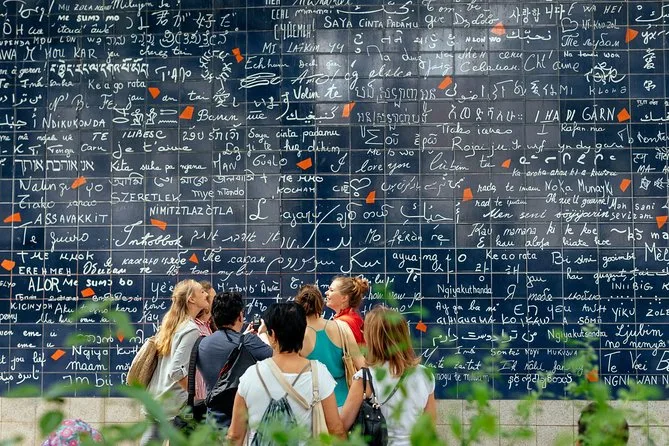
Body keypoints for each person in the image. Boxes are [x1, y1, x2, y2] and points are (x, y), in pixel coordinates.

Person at [227, 303, 345, 444]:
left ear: (272, 335)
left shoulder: (251, 375)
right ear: (303, 333)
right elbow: (336, 429)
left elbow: (235, 435)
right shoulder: (318, 373)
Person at [341, 307, 436, 446]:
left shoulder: (365, 378)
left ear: (373, 339)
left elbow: (341, 427)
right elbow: (430, 427)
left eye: (365, 331)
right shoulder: (425, 375)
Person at [140, 279, 211, 446]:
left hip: (157, 397)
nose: (206, 294)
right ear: (191, 299)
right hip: (172, 403)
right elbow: (176, 370)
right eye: (202, 291)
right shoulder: (191, 329)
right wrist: (195, 396)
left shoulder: (174, 324)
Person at [197, 290, 273, 426]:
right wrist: (262, 334)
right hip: (242, 419)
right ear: (240, 316)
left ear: (214, 317)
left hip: (213, 420)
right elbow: (277, 358)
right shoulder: (248, 341)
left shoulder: (202, 343)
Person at [295, 284, 365, 407]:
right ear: (320, 304)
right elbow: (362, 366)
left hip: (314, 403)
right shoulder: (342, 327)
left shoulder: (298, 336)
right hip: (345, 401)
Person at [325, 276, 369, 344]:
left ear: (344, 298)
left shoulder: (342, 323)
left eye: (331, 290)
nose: (326, 293)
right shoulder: (353, 318)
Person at [194, 280, 216, 401]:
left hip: (205, 393)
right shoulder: (194, 328)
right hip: (196, 396)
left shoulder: (208, 326)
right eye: (214, 298)